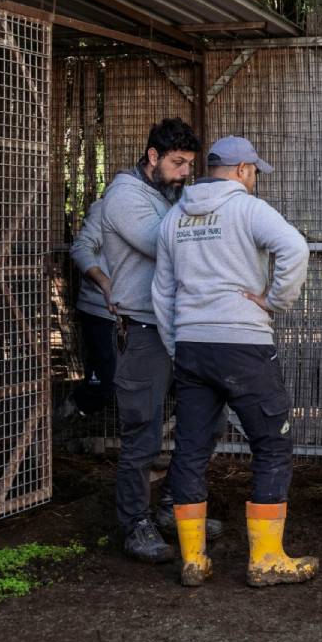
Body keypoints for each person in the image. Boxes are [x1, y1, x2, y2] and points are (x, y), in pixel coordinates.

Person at [152, 136, 315, 587]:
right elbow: (295, 249)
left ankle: (193, 559)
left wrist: (177, 344)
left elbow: (162, 292)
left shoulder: (173, 219)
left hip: (192, 347)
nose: (255, 178)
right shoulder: (248, 209)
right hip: (243, 345)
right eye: (255, 171)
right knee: (271, 444)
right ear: (242, 170)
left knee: (191, 448)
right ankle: (265, 558)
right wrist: (275, 301)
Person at [95, 118, 222, 564]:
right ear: (152, 157)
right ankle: (135, 523)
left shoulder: (169, 195)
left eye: (190, 163)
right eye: (177, 163)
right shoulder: (125, 197)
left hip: (183, 326)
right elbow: (169, 244)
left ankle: (174, 506)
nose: (186, 172)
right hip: (145, 329)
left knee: (204, 422)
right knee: (142, 435)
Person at [56, 200, 117, 425]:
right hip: (101, 309)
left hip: (140, 311)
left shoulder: (161, 205)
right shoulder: (107, 206)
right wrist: (105, 283)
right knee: (103, 381)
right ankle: (70, 411)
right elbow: (81, 247)